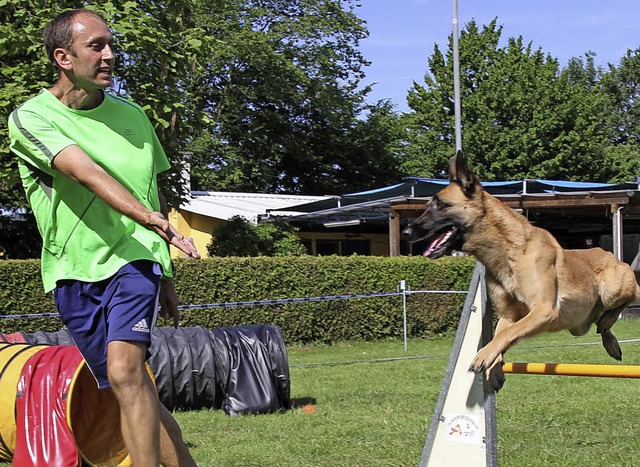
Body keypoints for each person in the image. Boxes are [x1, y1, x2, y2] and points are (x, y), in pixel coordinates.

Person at [9, 9, 200, 467]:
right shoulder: (30, 118)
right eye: (96, 46)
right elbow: (87, 173)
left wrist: (165, 269)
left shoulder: (134, 117)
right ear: (63, 57)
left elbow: (150, 192)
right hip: (72, 269)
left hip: (135, 258)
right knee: (130, 387)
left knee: (125, 370)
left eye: (111, 44)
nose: (110, 55)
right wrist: (152, 219)